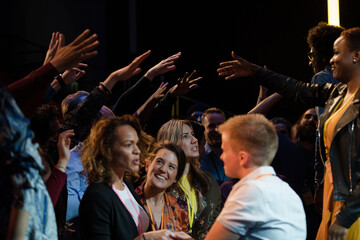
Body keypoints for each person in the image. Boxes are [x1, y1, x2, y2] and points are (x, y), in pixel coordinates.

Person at [217, 27, 360, 240]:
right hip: (332, 200)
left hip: (352, 209)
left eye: (337, 53)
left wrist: (346, 216)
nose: (331, 60)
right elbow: (298, 89)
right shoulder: (337, 94)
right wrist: (257, 72)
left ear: (356, 55)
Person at [79, 116, 191, 240]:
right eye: (128, 145)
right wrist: (144, 238)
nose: (137, 151)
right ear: (108, 150)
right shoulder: (97, 195)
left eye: (136, 144)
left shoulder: (126, 186)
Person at [205, 114, 306, 239]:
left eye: (225, 150)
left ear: (242, 158)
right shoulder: (287, 190)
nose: (221, 156)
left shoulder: (250, 191)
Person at [157, 119, 221, 240]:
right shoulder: (160, 180)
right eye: (185, 136)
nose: (195, 140)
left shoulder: (209, 182)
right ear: (172, 142)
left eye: (192, 134)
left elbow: (214, 224)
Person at [135, 142, 189, 232]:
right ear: (148, 165)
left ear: (176, 177)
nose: (163, 169)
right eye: (159, 162)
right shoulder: (130, 201)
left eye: (171, 167)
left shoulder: (180, 209)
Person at [200, 108, 231, 185]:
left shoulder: (236, 153)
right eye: (211, 126)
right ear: (203, 129)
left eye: (221, 125)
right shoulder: (197, 157)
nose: (217, 129)